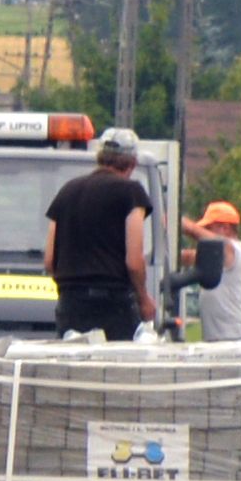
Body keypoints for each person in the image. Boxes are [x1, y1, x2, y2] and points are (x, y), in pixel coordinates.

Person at [41, 129, 156, 343]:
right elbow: (134, 261)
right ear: (131, 164)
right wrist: (143, 299)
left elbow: (49, 260)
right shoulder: (131, 193)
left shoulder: (67, 191)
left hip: (71, 303)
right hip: (114, 303)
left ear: (99, 157)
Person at [180, 200, 241, 341]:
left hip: (235, 337)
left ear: (225, 228)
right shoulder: (216, 255)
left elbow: (194, 232)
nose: (206, 233)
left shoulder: (234, 250)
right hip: (217, 337)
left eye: (209, 228)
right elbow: (189, 256)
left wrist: (175, 222)